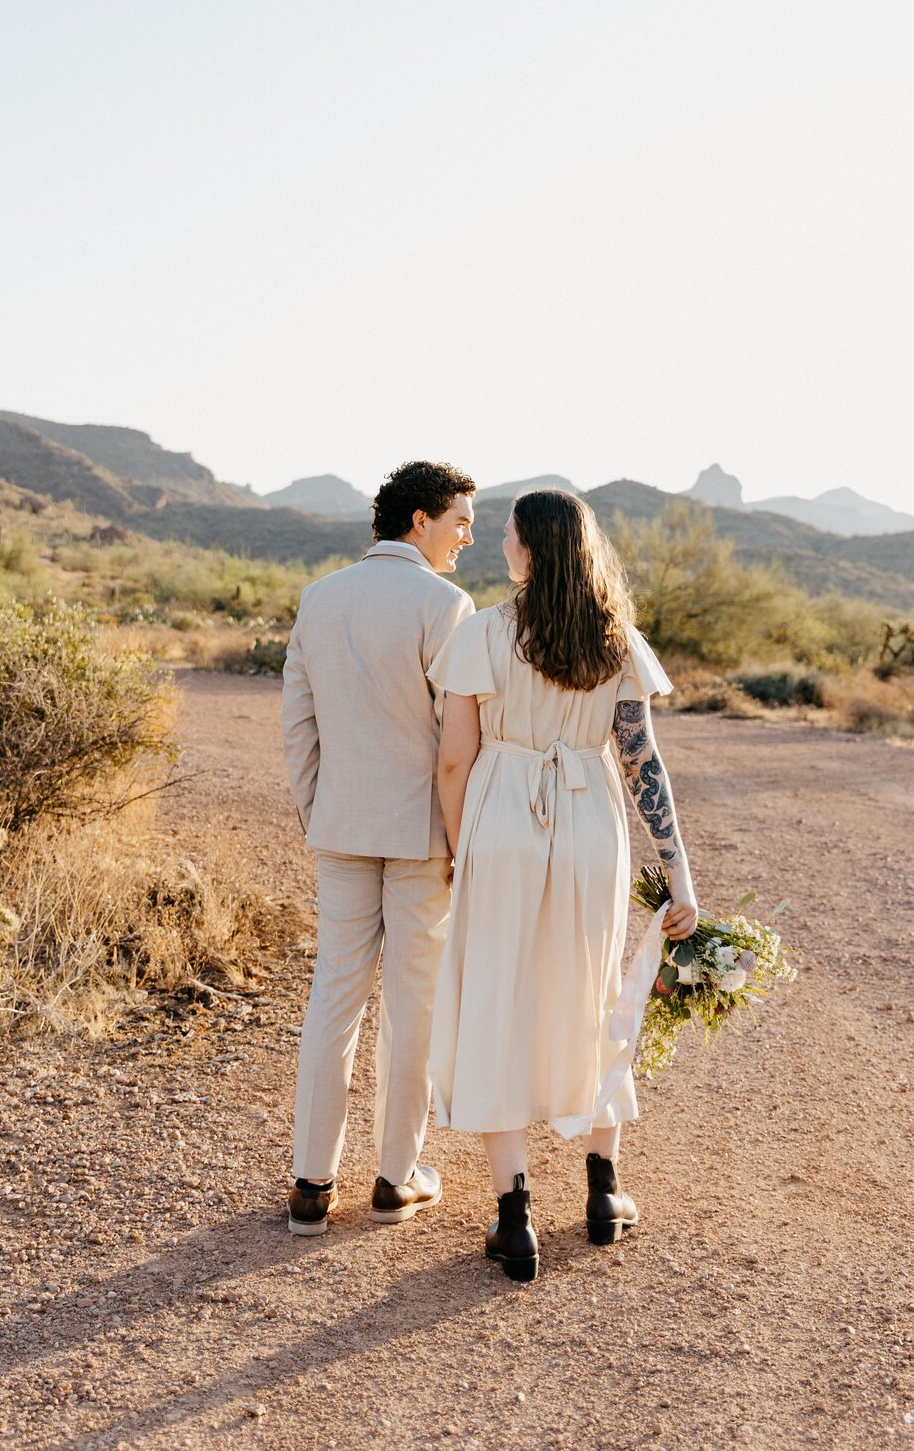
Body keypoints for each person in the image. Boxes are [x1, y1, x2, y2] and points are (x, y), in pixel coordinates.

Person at [427, 489, 697, 1281]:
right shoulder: (617, 641)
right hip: (592, 828)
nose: (501, 547)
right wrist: (680, 874)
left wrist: (455, 848)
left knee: (498, 998)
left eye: (508, 536)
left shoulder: (483, 632)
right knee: (592, 994)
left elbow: (453, 758)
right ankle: (603, 1192)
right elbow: (645, 763)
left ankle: (514, 1217)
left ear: (532, 550)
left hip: (502, 822)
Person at [281, 459, 476, 1235]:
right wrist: (460, 839)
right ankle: (397, 1179)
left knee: (334, 997)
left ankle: (310, 1184)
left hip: (342, 827)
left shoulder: (319, 598)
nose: (467, 536)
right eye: (460, 519)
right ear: (420, 519)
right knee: (413, 1003)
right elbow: (456, 738)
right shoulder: (446, 605)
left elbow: (299, 722)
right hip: (422, 833)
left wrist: (316, 812)